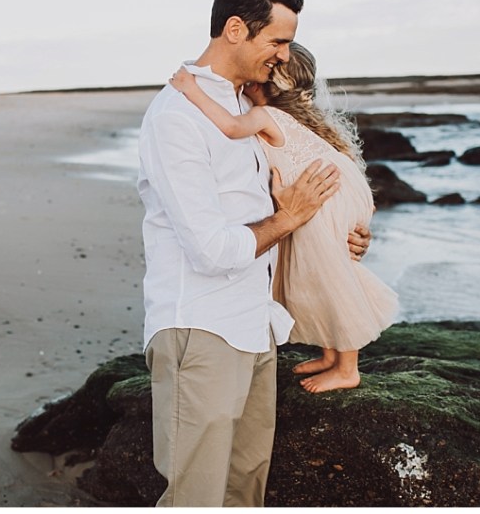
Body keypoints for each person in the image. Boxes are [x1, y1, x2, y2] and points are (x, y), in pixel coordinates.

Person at [137, 0, 371, 507]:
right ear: (236, 29)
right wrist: (289, 218)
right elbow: (212, 249)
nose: (285, 56)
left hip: (255, 324)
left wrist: (339, 237)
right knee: (196, 499)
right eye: (278, 42)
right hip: (201, 328)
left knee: (246, 491)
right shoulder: (177, 118)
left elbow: (283, 200)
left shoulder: (251, 104)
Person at [169, 42, 399, 393]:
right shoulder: (299, 120)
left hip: (324, 199)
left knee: (331, 275)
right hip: (341, 192)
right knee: (318, 273)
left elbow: (230, 127)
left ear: (264, 84)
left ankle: (347, 368)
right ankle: (331, 354)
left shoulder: (266, 115)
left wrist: (191, 89)